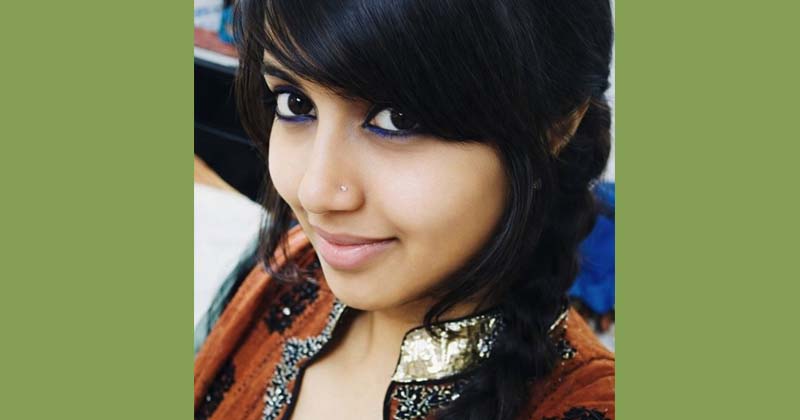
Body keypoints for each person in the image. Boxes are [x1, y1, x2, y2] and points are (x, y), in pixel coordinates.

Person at [194, 0, 615, 419]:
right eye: (296, 105)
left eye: (397, 119)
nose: (315, 192)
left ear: (557, 126)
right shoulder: (290, 271)